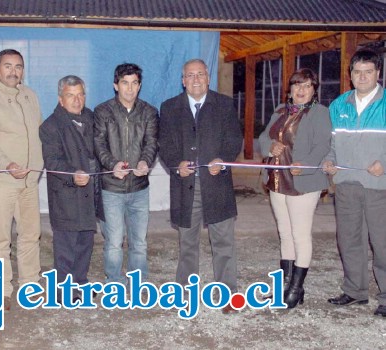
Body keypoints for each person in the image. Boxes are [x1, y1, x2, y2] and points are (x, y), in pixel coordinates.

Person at [158, 58, 242, 314]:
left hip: (217, 184)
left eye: (200, 74)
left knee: (224, 242)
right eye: (190, 75)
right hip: (186, 186)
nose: (196, 79)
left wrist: (223, 159)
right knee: (188, 244)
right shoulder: (170, 107)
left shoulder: (225, 105)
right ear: (183, 81)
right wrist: (176, 163)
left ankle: (229, 295)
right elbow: (165, 145)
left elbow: (234, 139)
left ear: (208, 78)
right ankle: (184, 292)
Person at [0, 49, 43, 310]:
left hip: (28, 181)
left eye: (18, 67)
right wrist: (7, 165)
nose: (13, 72)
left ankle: (29, 285)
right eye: (7, 66)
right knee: (1, 238)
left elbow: (38, 131)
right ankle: (0, 290)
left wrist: (36, 166)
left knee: (30, 235)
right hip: (1, 181)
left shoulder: (30, 96)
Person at [259, 68, 331, 308]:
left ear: (314, 90)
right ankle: (285, 286)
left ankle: (297, 289)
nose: (301, 90)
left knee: (300, 235)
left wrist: (307, 164)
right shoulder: (280, 110)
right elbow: (262, 138)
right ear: (289, 89)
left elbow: (322, 145)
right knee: (285, 233)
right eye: (297, 85)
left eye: (307, 86)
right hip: (277, 179)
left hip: (303, 181)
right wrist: (271, 147)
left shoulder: (320, 113)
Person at [323, 49, 386, 317]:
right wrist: (329, 161)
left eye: (368, 71)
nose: (362, 77)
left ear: (378, 74)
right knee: (348, 239)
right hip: (347, 184)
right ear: (350, 75)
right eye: (357, 72)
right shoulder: (338, 105)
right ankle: (355, 291)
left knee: (382, 242)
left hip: (379, 186)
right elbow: (332, 143)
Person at [40, 75, 103, 302]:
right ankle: (62, 291)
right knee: (66, 246)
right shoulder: (50, 126)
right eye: (70, 95)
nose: (77, 100)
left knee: (86, 242)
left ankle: (80, 283)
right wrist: (72, 174)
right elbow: (53, 161)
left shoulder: (91, 117)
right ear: (60, 98)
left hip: (89, 195)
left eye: (80, 95)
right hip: (66, 195)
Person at [94, 63, 158, 285]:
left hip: (140, 188)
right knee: (114, 241)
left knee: (139, 241)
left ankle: (138, 281)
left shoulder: (149, 112)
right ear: (115, 85)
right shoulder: (103, 111)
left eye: (134, 83)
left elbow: (151, 142)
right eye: (124, 83)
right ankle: (114, 282)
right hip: (112, 187)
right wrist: (113, 164)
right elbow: (99, 144)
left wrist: (145, 161)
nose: (129, 89)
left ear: (139, 86)